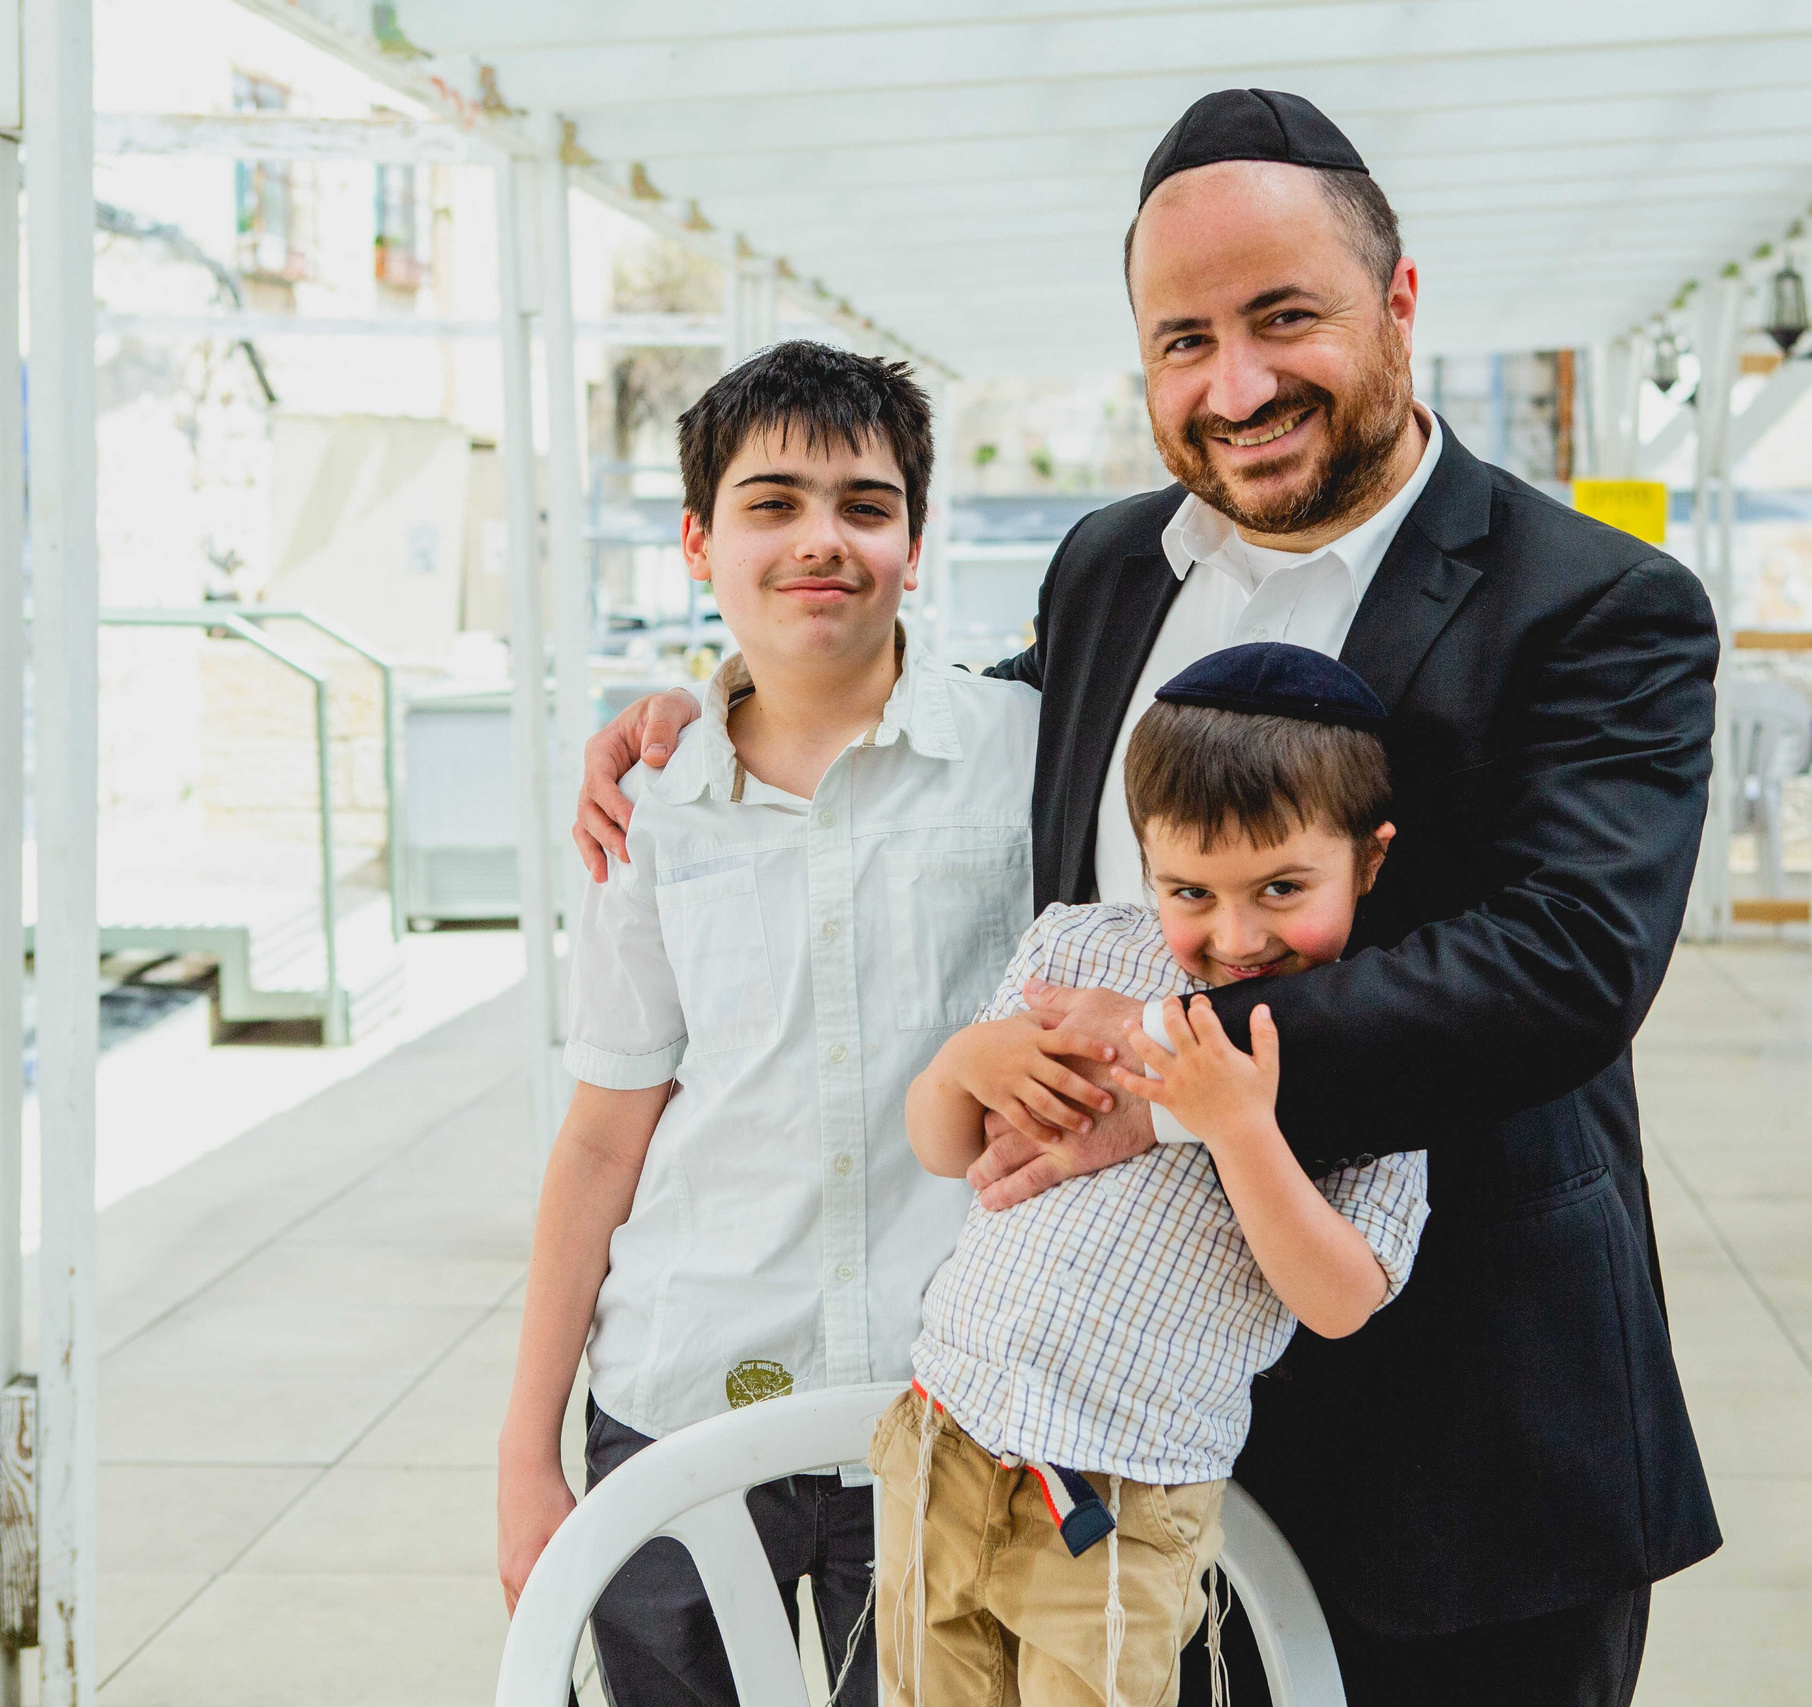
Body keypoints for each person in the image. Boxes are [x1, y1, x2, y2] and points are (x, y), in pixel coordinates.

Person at [573, 90, 1722, 1707]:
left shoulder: (1598, 603)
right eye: (1182, 340)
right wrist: (715, 713)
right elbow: (973, 725)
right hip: (1099, 1434)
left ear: (1399, 302)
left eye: (1282, 320)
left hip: (1461, 1438)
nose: (1233, 385)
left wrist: (1173, 1059)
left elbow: (1566, 963)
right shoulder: (1110, 563)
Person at [496, 341, 1043, 1707]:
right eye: (773, 502)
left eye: (866, 505)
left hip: (951, 1411)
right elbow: (605, 1136)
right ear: (700, 539)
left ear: (917, 543)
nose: (823, 540)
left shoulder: (1029, 753)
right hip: (683, 1392)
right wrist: (524, 1447)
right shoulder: (656, 802)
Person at [875, 643, 1427, 1707]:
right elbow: (948, 1148)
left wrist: (1232, 1127)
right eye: (1188, 890)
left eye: (1282, 887)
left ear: (1368, 858)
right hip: (945, 1431)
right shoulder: (1078, 947)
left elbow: (1342, 1298)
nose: (1235, 936)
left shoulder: (1368, 1045)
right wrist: (960, 1064)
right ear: (1141, 865)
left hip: (1119, 1496)